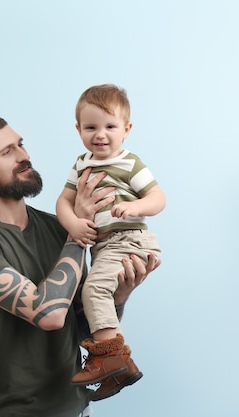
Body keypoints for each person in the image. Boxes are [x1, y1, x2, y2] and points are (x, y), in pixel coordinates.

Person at [0, 113, 160, 417]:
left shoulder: (58, 228)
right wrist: (77, 234)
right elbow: (49, 314)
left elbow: (79, 325)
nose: (24, 156)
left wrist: (119, 296)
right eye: (7, 152)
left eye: (20, 145)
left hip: (76, 408)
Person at [56, 84, 166, 400]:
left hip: (130, 240)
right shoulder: (81, 164)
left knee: (94, 290)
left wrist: (134, 207)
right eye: (91, 127)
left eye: (110, 127)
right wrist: (74, 224)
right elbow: (63, 202)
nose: (100, 135)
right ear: (78, 129)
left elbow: (158, 198)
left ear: (126, 129)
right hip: (105, 246)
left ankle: (107, 355)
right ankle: (124, 365)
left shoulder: (130, 163)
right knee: (96, 294)